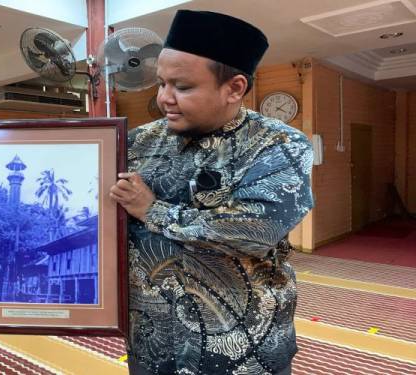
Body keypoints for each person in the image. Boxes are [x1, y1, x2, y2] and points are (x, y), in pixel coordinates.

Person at [109, 10, 314, 375]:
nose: (164, 99)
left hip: (245, 350)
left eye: (182, 87)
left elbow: (255, 231)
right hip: (152, 342)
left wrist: (153, 210)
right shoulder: (136, 142)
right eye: (161, 83)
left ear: (234, 88)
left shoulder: (279, 145)